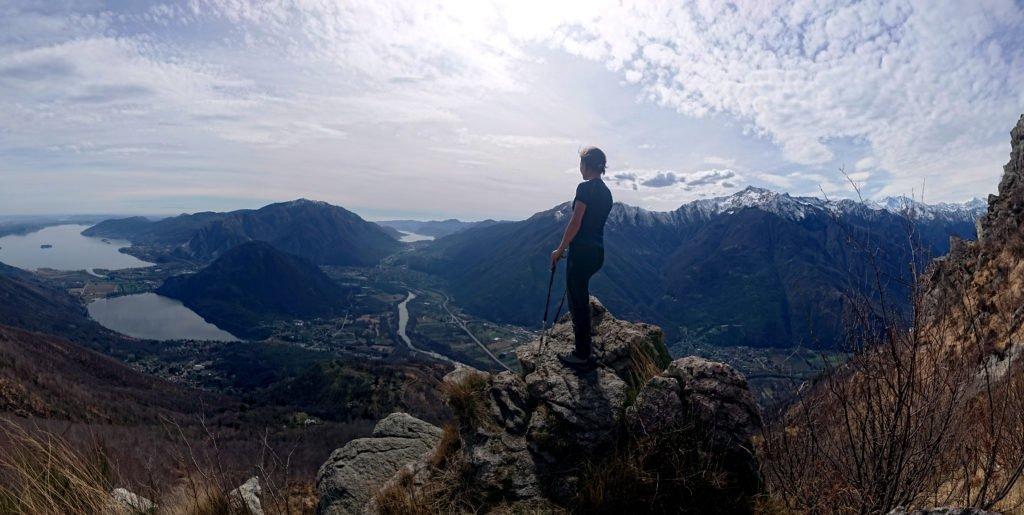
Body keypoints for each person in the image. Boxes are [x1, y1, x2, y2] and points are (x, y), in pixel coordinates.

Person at [550, 146, 613, 369]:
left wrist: (560, 249)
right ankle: (585, 349)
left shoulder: (585, 189)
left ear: (587, 165)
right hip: (597, 253)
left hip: (582, 253)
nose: (580, 168)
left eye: (581, 164)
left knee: (577, 303)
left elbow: (576, 222)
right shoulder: (606, 193)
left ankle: (582, 354)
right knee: (580, 296)